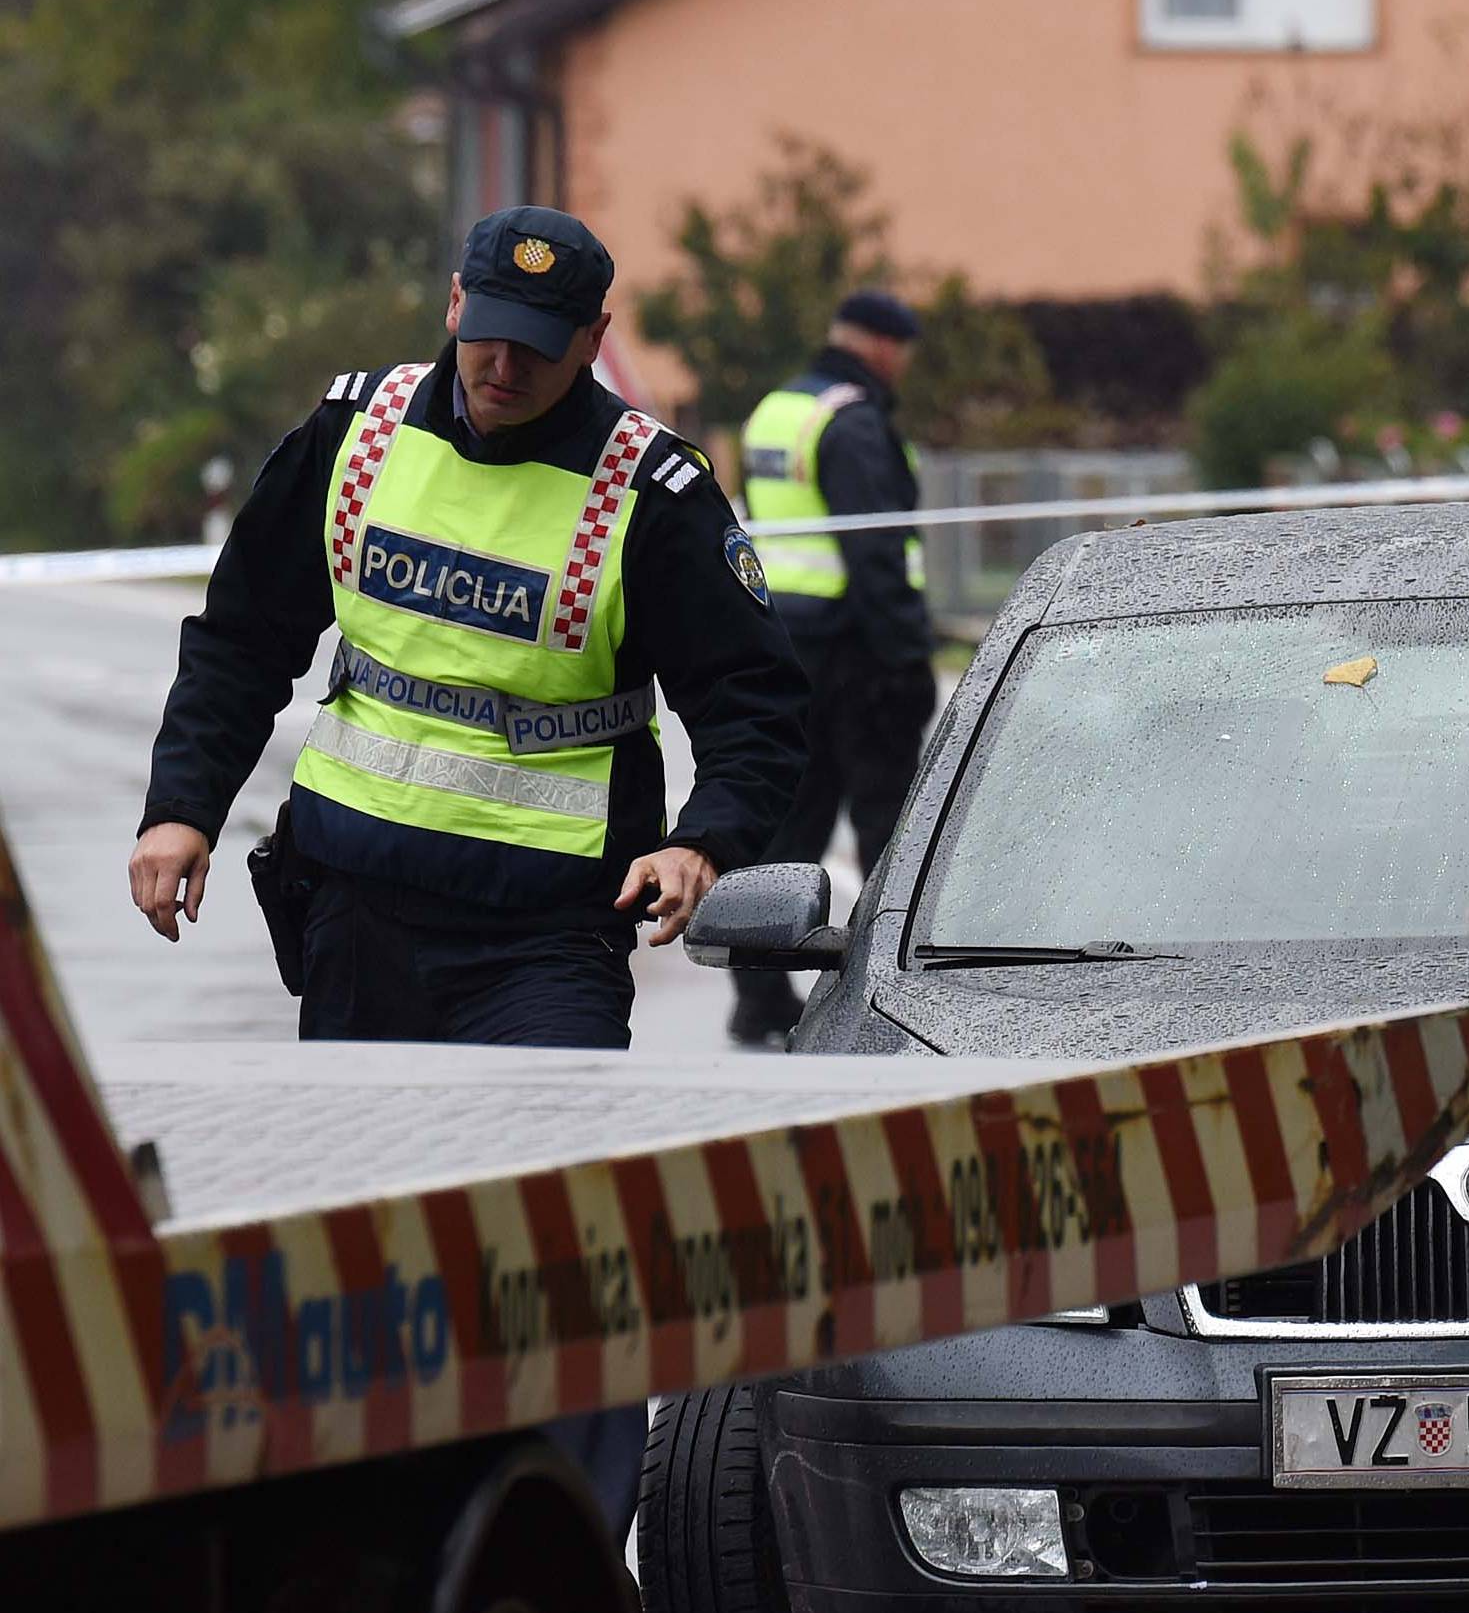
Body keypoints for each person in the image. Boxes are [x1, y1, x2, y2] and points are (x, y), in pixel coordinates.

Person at [130, 205, 809, 1051]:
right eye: (489, 332)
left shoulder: (653, 494)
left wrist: (702, 843)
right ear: (455, 304)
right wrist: (182, 808)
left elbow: (756, 704)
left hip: (549, 939)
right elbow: (241, 639)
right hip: (355, 910)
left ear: (593, 338)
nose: (505, 364)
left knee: (541, 1171)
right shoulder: (356, 432)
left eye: (538, 344)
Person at [731, 289, 936, 1046]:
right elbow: (877, 553)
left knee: (792, 820)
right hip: (861, 654)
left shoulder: (776, 411)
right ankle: (884, 990)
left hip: (788, 643)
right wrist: (909, 658)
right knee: (887, 825)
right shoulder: (851, 420)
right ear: (884, 346)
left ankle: (756, 991)